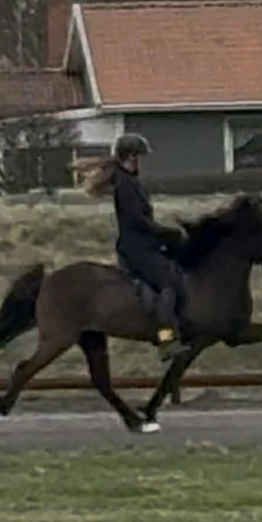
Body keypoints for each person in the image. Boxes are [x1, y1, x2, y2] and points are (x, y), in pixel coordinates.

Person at [74, 133, 188, 361]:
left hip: (142, 244)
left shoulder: (129, 181)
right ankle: (166, 340)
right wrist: (164, 232)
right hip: (136, 249)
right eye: (140, 156)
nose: (142, 161)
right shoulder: (126, 185)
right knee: (168, 281)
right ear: (131, 157)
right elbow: (137, 220)